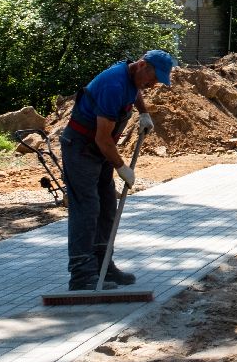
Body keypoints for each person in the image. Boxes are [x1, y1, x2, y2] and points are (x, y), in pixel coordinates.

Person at [60, 49, 173, 290]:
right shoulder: (113, 85)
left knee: (107, 206)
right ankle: (81, 274)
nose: (153, 85)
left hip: (98, 150)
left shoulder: (132, 75)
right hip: (81, 149)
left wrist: (143, 112)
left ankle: (103, 266)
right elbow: (102, 138)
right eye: (154, 78)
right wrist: (121, 167)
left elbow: (135, 91)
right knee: (86, 208)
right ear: (142, 65)